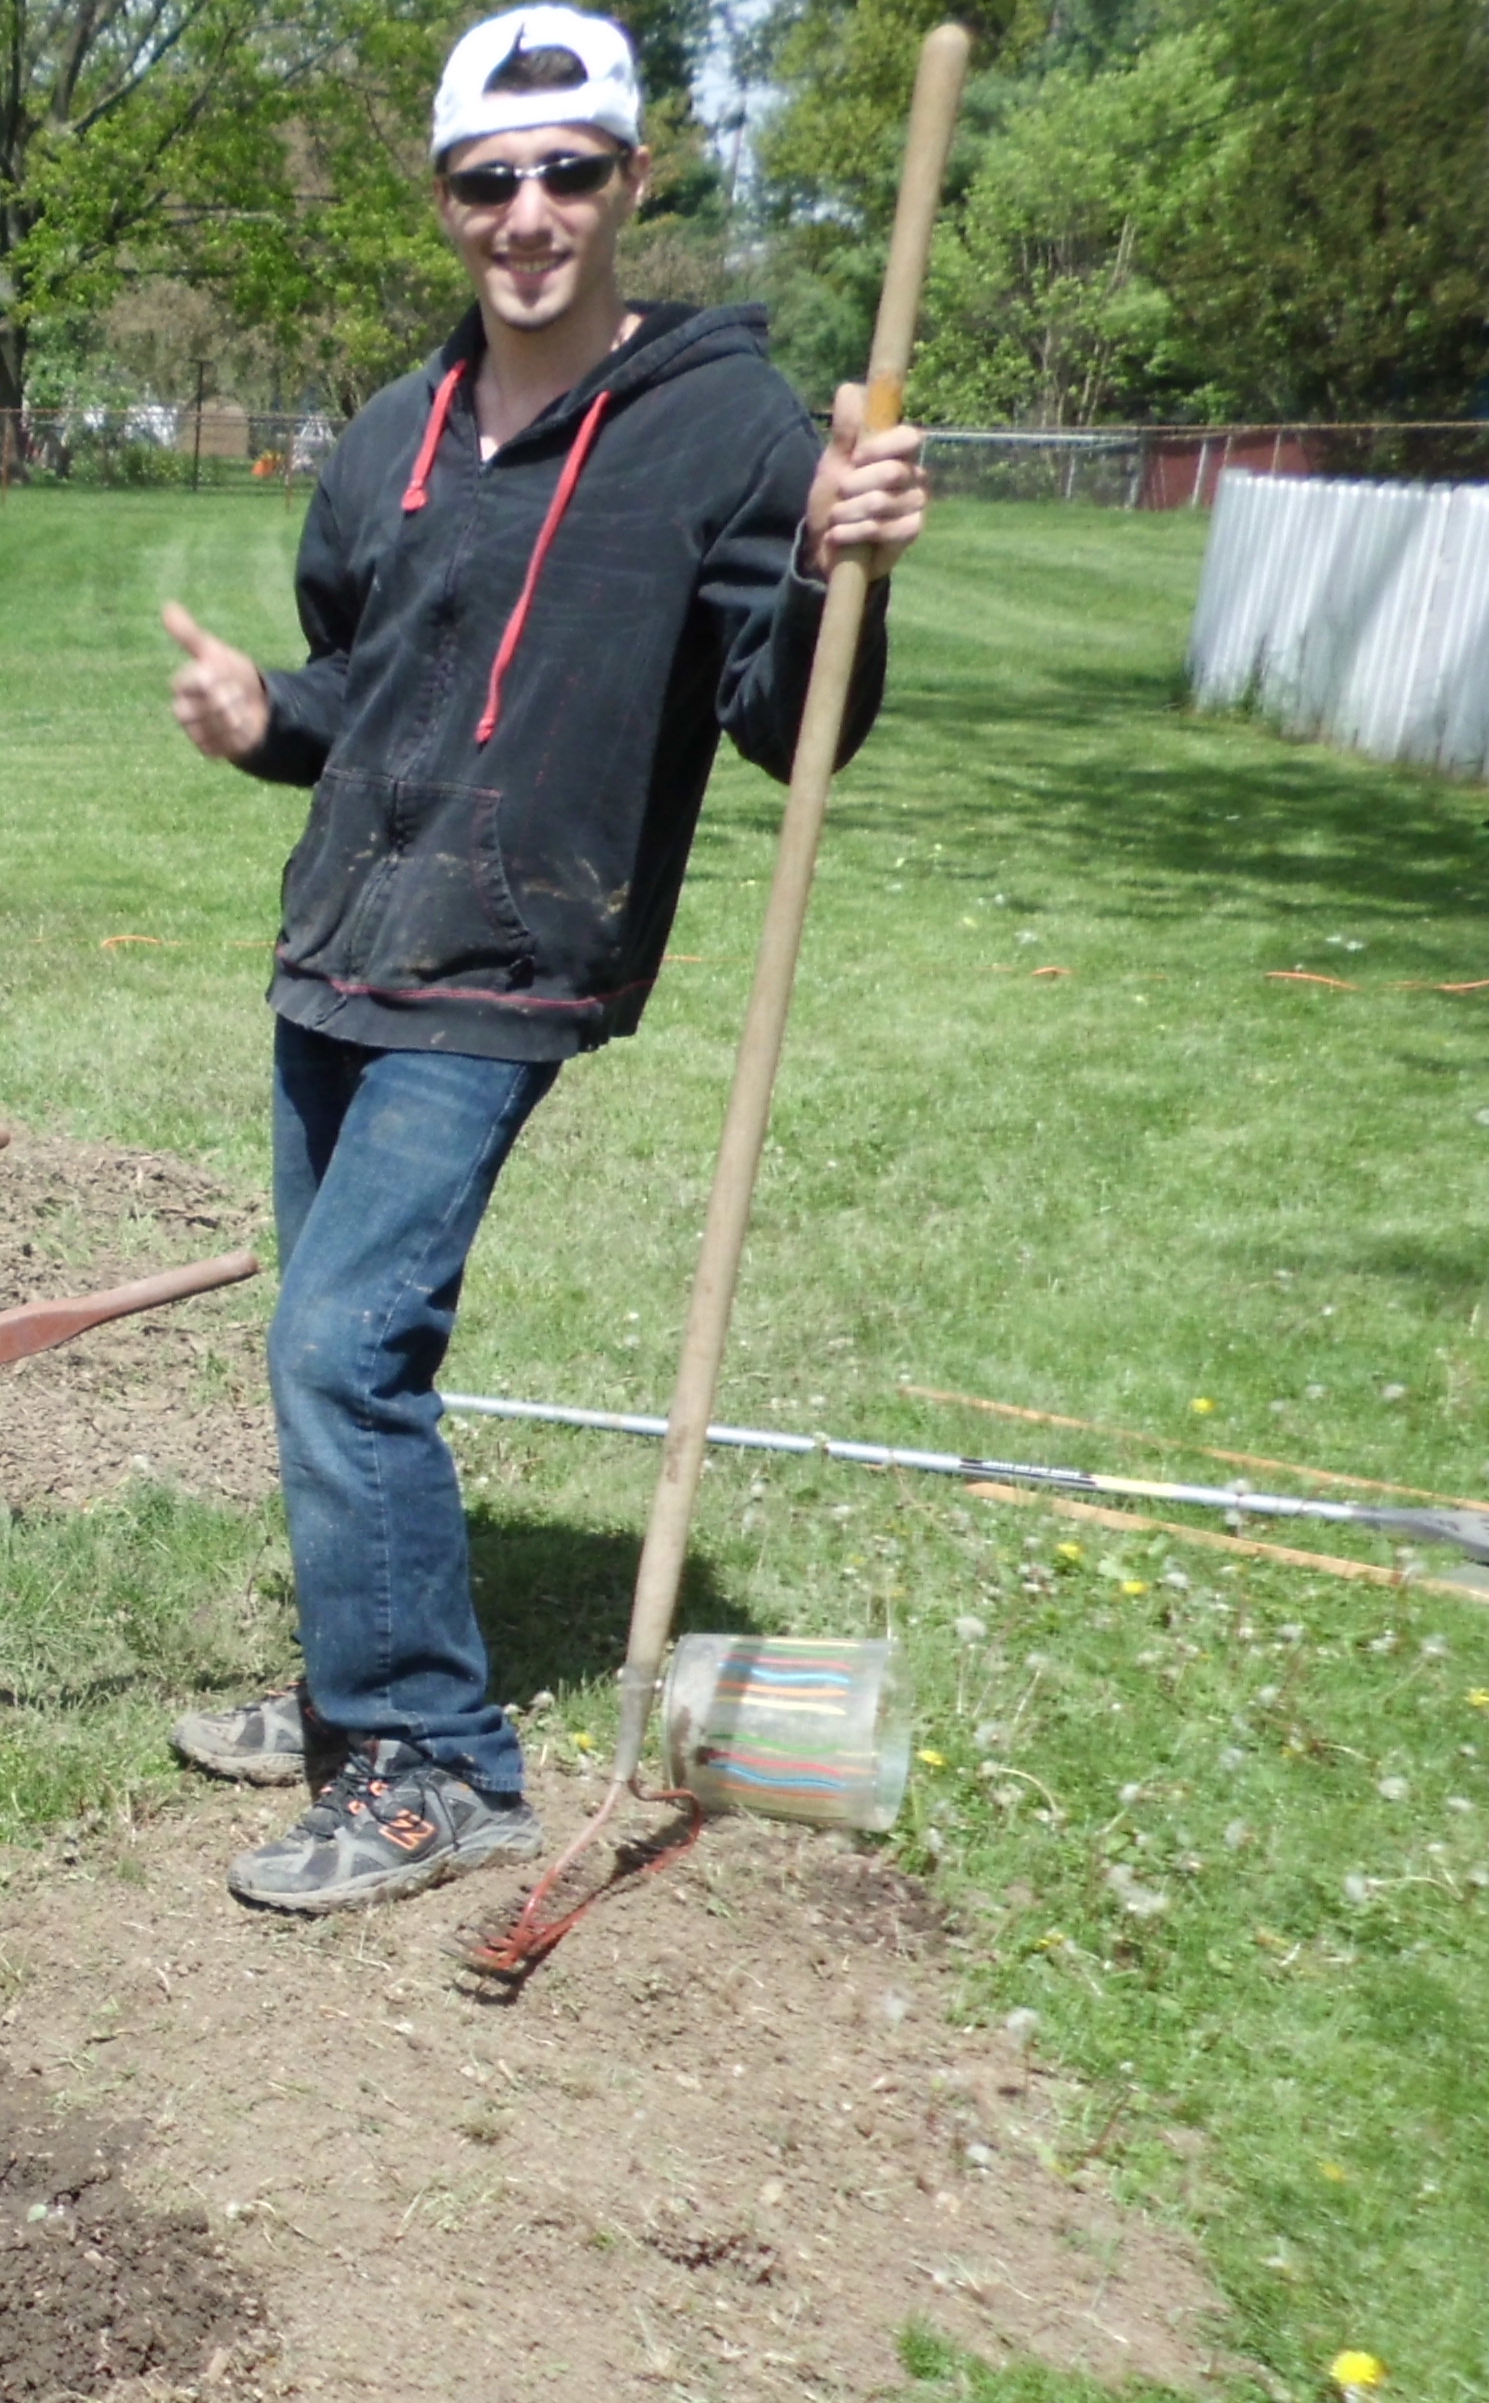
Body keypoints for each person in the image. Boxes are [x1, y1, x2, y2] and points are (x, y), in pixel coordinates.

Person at [157, 5, 929, 1914]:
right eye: (491, 180)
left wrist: (845, 572)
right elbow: (374, 687)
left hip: (511, 957)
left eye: (569, 172)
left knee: (343, 1346)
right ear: (446, 200)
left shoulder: (734, 433)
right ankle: (361, 1686)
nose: (529, 213)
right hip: (336, 942)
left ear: (630, 184)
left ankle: (435, 1762)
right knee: (334, 1345)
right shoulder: (392, 436)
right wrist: (269, 719)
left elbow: (790, 727)